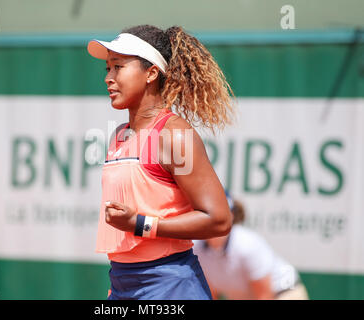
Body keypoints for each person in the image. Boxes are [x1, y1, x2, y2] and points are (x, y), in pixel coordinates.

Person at [87, 24, 236, 300]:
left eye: (118, 67)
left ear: (151, 73)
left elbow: (219, 219)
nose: (109, 77)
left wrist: (140, 223)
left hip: (172, 286)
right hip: (122, 284)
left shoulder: (174, 134)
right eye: (107, 69)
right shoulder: (118, 136)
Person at [194, 194, 309, 300]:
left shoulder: (246, 245)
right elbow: (211, 293)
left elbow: (264, 295)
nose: (214, 219)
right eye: (207, 213)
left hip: (284, 293)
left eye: (219, 213)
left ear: (231, 216)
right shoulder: (196, 248)